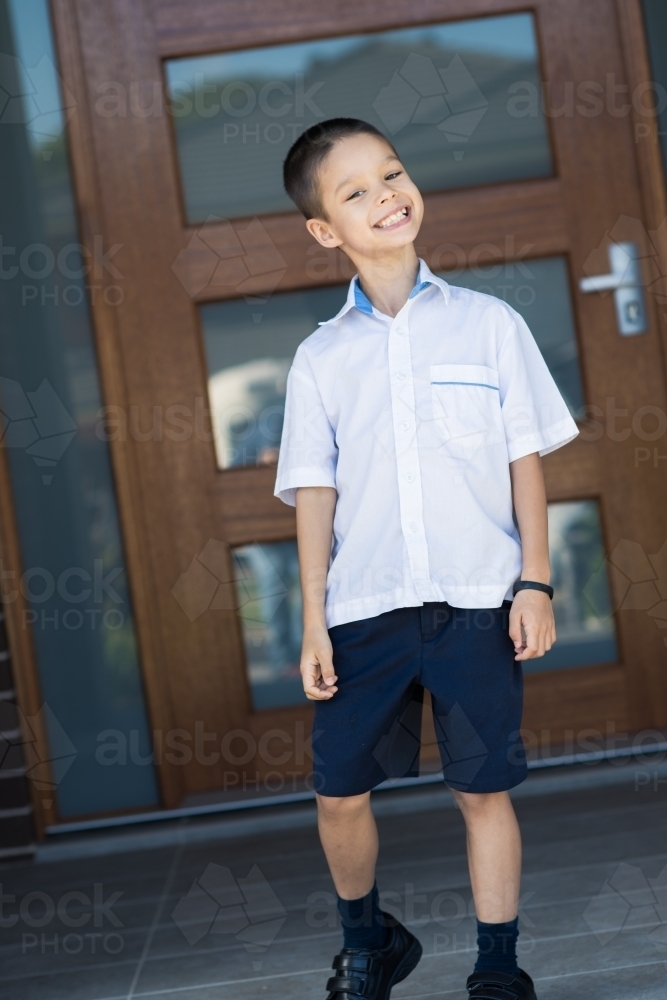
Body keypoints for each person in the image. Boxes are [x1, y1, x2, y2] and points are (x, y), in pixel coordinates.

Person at [274, 118, 579, 1000]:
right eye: (355, 191)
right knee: (338, 790)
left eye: (392, 173)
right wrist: (311, 624)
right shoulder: (320, 359)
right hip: (364, 608)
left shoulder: (488, 326)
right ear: (324, 231)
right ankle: (368, 944)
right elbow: (315, 496)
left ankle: (496, 964)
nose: (385, 196)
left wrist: (534, 580)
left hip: (478, 601)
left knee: (481, 788)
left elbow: (524, 461)